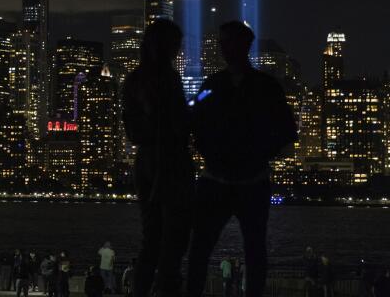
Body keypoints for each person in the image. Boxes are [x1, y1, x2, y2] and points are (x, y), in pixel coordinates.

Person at [187, 21, 298, 297]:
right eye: (222, 42)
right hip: (229, 179)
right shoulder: (221, 84)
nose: (224, 48)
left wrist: (257, 153)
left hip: (242, 180)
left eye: (228, 42)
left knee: (243, 250)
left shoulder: (262, 86)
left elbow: (287, 130)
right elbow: (195, 123)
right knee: (208, 249)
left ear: (244, 45)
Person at [122, 19, 194, 297]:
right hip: (169, 160)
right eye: (174, 44)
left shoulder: (133, 79)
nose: (177, 50)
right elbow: (172, 123)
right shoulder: (165, 78)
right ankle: (166, 288)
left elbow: (134, 129)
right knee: (175, 237)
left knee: (152, 239)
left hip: (146, 163)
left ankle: (145, 290)